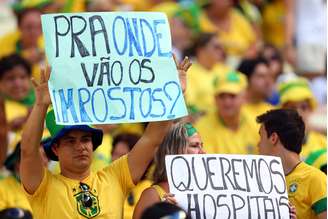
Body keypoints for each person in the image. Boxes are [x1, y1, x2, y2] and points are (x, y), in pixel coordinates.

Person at [20, 57, 191, 219]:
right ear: (56, 149)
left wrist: (174, 94)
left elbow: (152, 139)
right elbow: (28, 150)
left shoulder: (115, 177)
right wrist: (41, 105)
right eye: (70, 141)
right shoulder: (42, 186)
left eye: (85, 139)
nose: (80, 147)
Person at [257, 109, 327, 219]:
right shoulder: (260, 182)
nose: (258, 144)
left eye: (261, 137)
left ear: (273, 138)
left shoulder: (316, 179)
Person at [133, 122, 204, 219]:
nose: (203, 152)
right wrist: (164, 213)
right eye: (195, 146)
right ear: (175, 150)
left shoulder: (205, 192)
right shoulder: (153, 195)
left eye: (201, 146)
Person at [195, 70, 259, 154]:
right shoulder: (202, 127)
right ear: (215, 99)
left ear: (244, 98)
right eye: (221, 96)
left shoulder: (256, 124)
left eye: (232, 96)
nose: (227, 102)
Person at [278, 77, 326, 160]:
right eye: (292, 108)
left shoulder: (323, 142)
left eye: (303, 107)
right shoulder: (273, 143)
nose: (298, 112)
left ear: (311, 109)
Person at [185, 32, 230, 115]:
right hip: (200, 120)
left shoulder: (225, 70)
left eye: (222, 47)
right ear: (201, 50)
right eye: (217, 47)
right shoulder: (188, 72)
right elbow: (190, 105)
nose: (222, 51)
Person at [0, 54, 34, 133]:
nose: (18, 84)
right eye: (10, 78)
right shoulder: (2, 108)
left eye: (23, 77)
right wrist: (8, 128)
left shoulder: (45, 102)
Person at [237, 56, 274, 124]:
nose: (268, 81)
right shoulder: (233, 109)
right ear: (247, 79)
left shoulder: (272, 112)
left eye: (270, 76)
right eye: (261, 76)